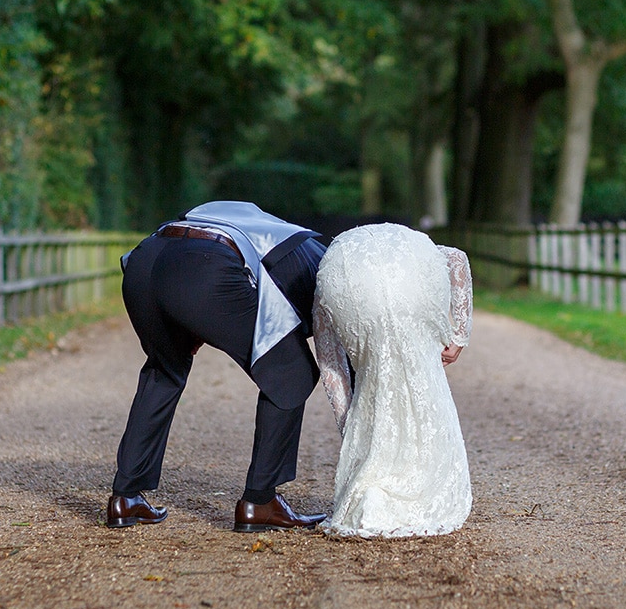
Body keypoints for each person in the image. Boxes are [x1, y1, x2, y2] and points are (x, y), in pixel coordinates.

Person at [108, 200, 329, 532]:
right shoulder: (321, 263)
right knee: (293, 373)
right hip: (203, 264)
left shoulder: (276, 233)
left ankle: (125, 498)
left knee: (164, 371)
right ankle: (260, 501)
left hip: (145, 260)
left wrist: (192, 319)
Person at [313, 222, 473, 538]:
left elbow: (330, 364)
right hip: (406, 269)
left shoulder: (323, 273)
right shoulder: (412, 252)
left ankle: (371, 491)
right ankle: (405, 489)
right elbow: (457, 258)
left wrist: (349, 426)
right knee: (423, 378)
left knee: (374, 378)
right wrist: (459, 335)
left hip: (344, 279)